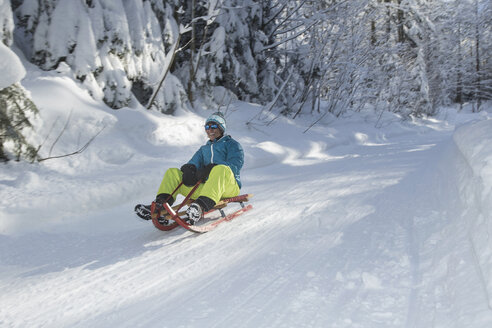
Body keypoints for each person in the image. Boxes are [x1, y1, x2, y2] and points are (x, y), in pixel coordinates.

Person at [135, 112, 244, 225]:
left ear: (221, 128)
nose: (210, 129)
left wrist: (212, 168)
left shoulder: (232, 145)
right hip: (206, 189)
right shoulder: (204, 149)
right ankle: (160, 205)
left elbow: (235, 165)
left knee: (221, 169)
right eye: (207, 127)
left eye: (214, 126)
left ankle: (199, 207)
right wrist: (189, 170)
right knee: (173, 172)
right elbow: (193, 163)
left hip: (229, 187)